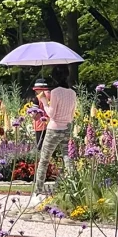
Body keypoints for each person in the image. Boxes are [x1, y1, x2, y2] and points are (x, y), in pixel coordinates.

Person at [32, 67, 78, 195]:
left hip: (54, 129)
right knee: (68, 158)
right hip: (66, 128)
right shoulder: (72, 93)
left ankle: (38, 190)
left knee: (44, 160)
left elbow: (51, 114)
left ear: (54, 77)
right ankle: (73, 188)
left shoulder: (56, 92)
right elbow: (72, 113)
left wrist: (44, 102)